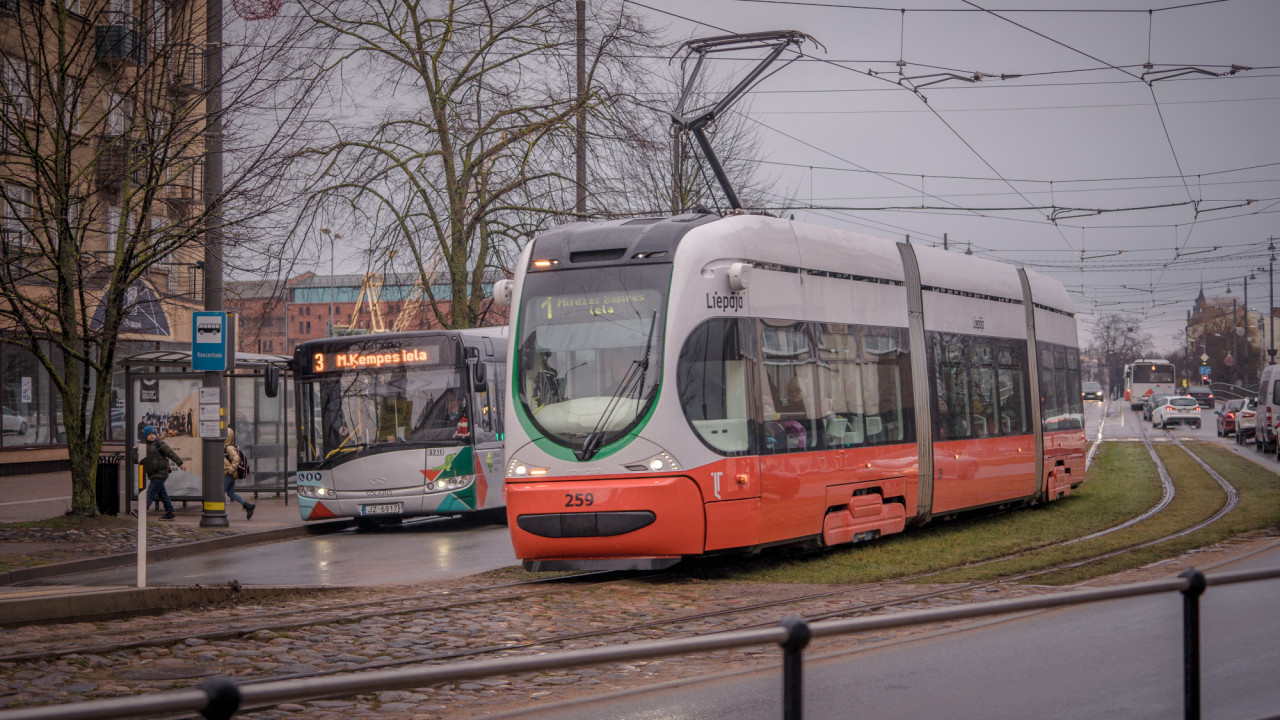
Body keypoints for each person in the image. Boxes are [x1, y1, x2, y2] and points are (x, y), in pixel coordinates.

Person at [140, 424, 182, 520]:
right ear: (146, 436)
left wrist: (180, 463)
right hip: (153, 474)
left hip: (161, 473)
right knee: (162, 494)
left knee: (150, 492)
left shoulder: (160, 444)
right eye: (149, 434)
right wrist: (135, 451)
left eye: (153, 434)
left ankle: (141, 510)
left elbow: (171, 453)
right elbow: (136, 460)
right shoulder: (144, 447)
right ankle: (170, 512)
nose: (152, 436)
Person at [223, 427, 256, 520]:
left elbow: (237, 459)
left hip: (228, 474)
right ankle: (247, 505)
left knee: (220, 492)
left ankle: (221, 512)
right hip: (231, 474)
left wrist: (230, 470)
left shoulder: (228, 447)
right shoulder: (227, 446)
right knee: (230, 493)